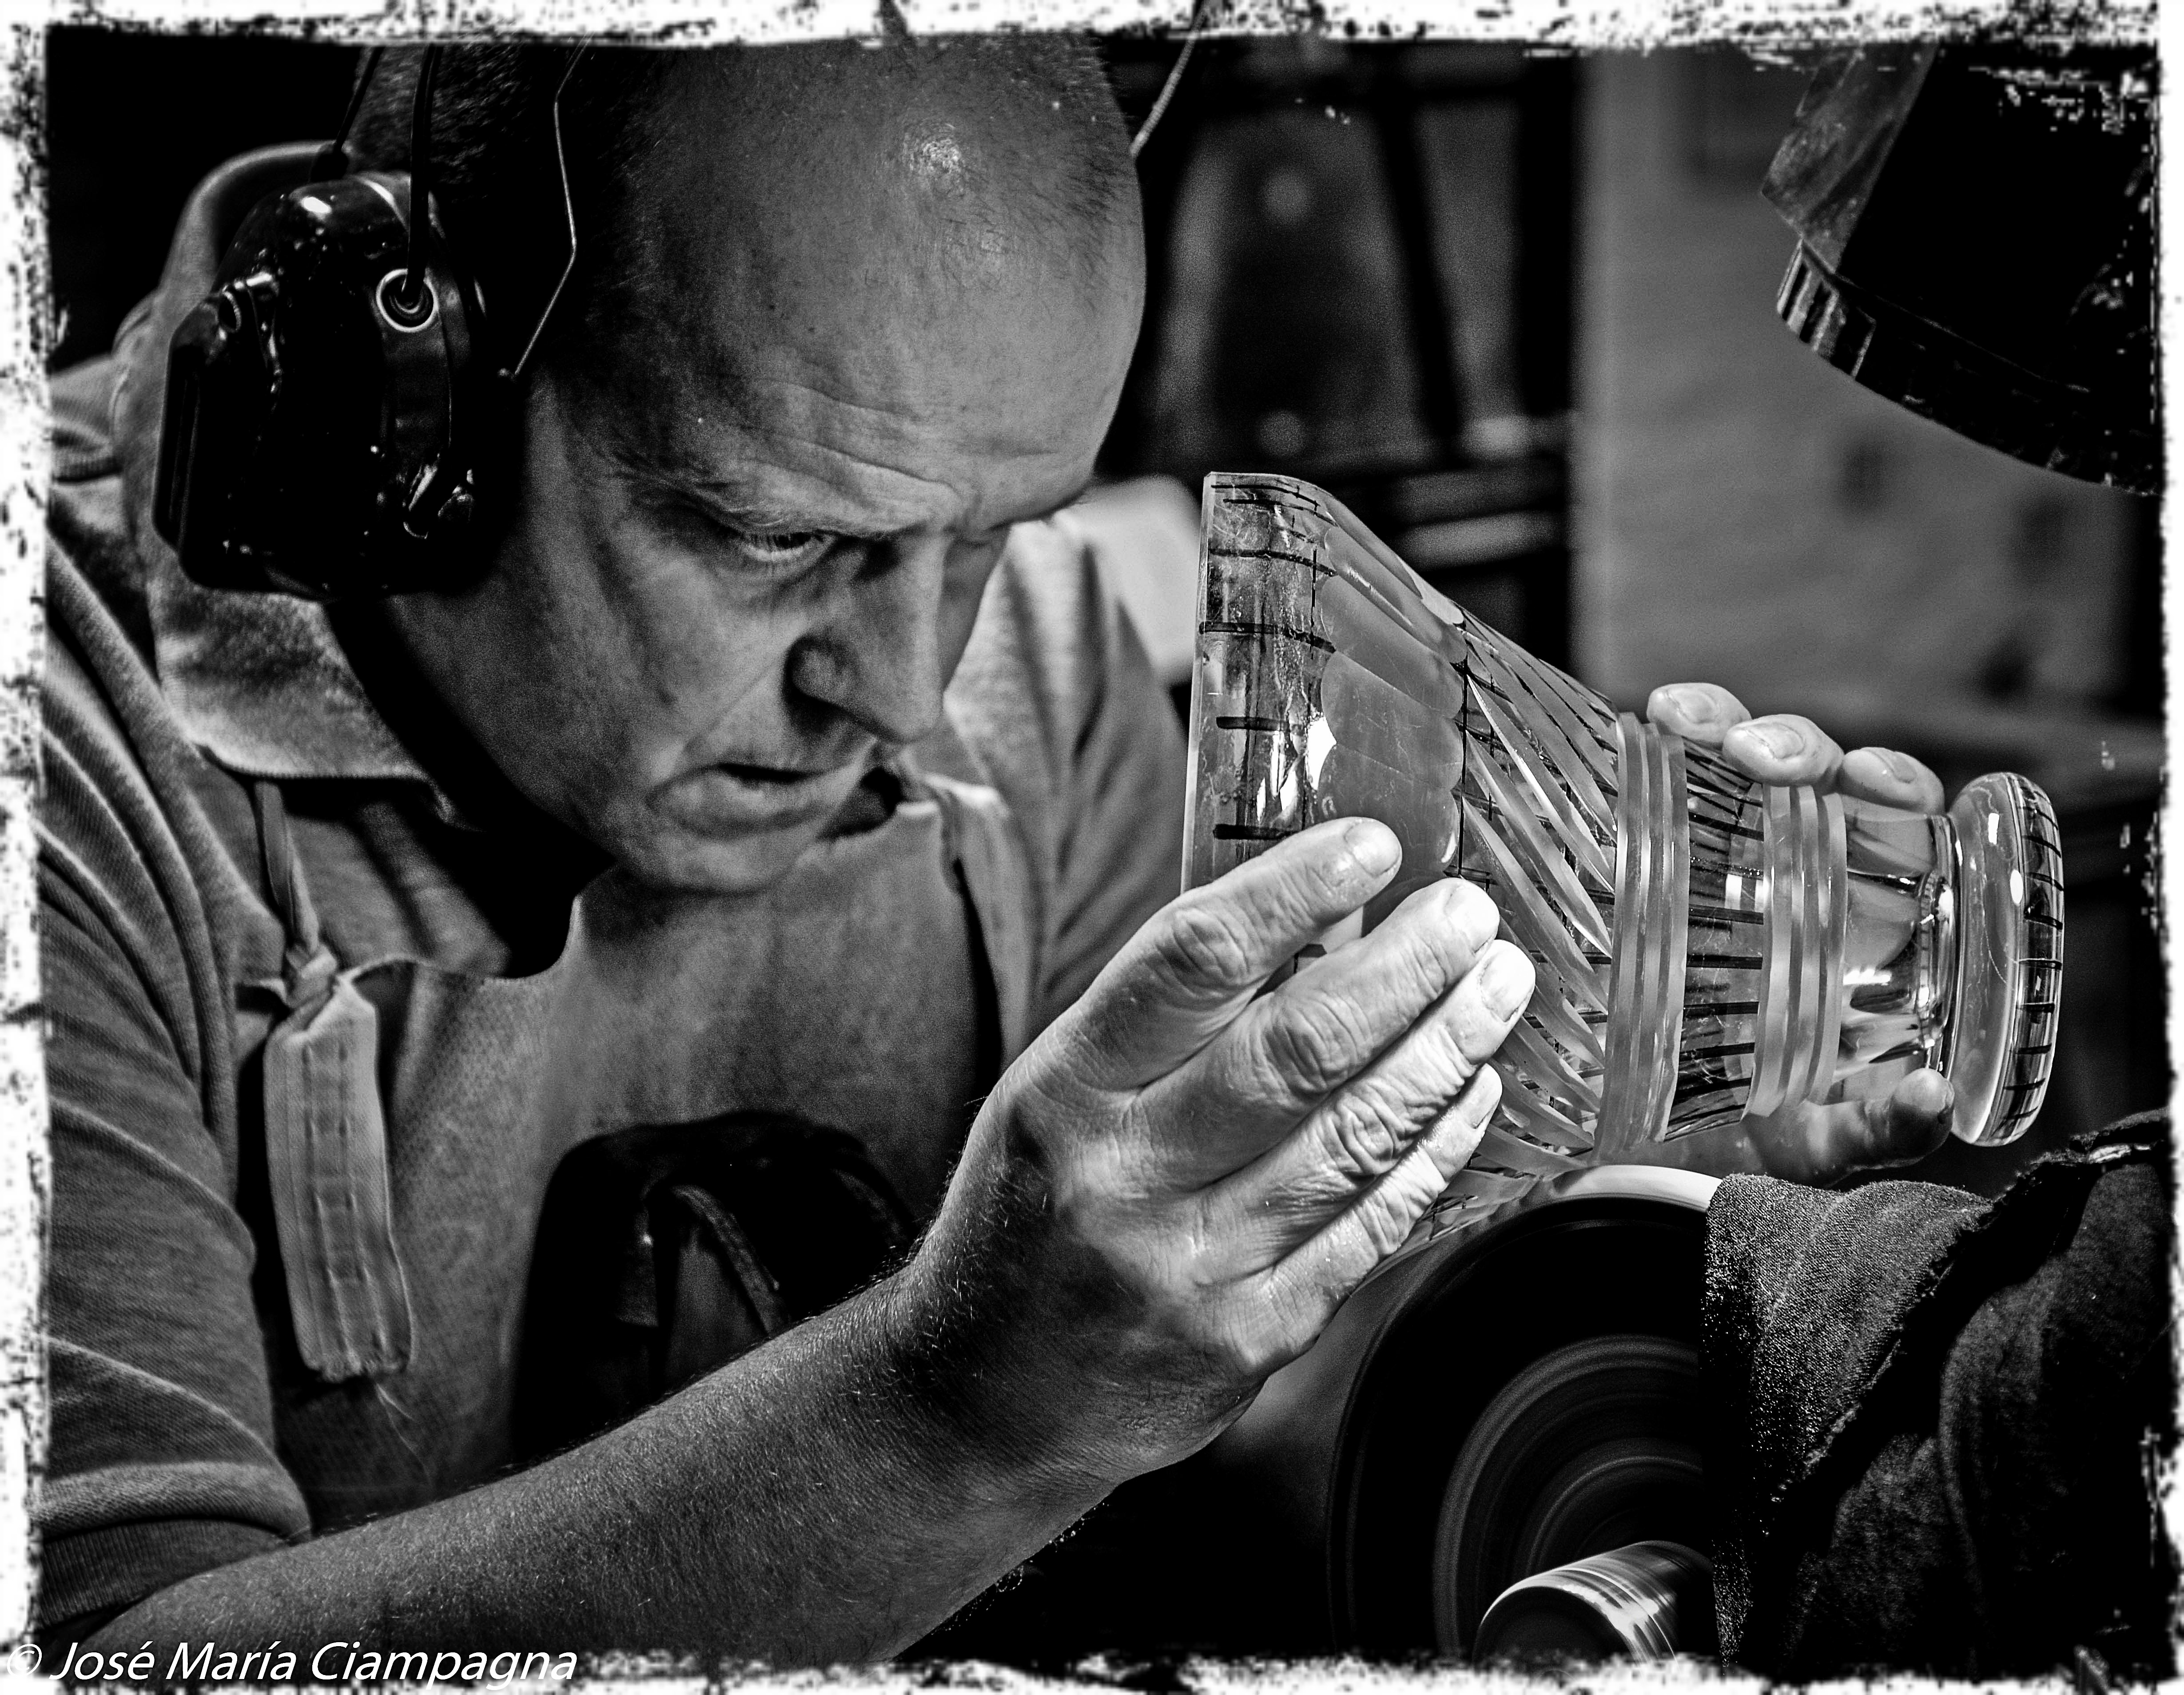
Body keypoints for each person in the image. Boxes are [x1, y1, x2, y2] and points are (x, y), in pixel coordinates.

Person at [36, 35, 1953, 1661]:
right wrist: (954, 1409)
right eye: (779, 538)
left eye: (994, 534)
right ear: (410, 413)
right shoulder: (58, 754)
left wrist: (1656, 1180)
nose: (900, 683)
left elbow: (1250, 1414)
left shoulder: (1026, 674)